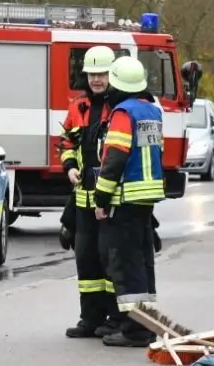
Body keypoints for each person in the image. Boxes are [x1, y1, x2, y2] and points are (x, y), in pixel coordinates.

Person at [93, 55, 165, 348]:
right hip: (146, 196)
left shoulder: (123, 113)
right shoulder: (152, 111)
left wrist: (101, 196)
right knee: (142, 263)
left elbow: (115, 158)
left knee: (125, 264)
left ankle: (135, 330)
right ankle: (145, 324)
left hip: (125, 198)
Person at [60, 45, 119, 339]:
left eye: (102, 74)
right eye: (92, 74)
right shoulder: (78, 106)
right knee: (86, 259)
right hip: (83, 199)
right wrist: (69, 167)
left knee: (108, 260)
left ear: (112, 75)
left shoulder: (119, 107)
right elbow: (67, 143)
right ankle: (90, 319)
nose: (97, 79)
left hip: (109, 200)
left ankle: (113, 318)